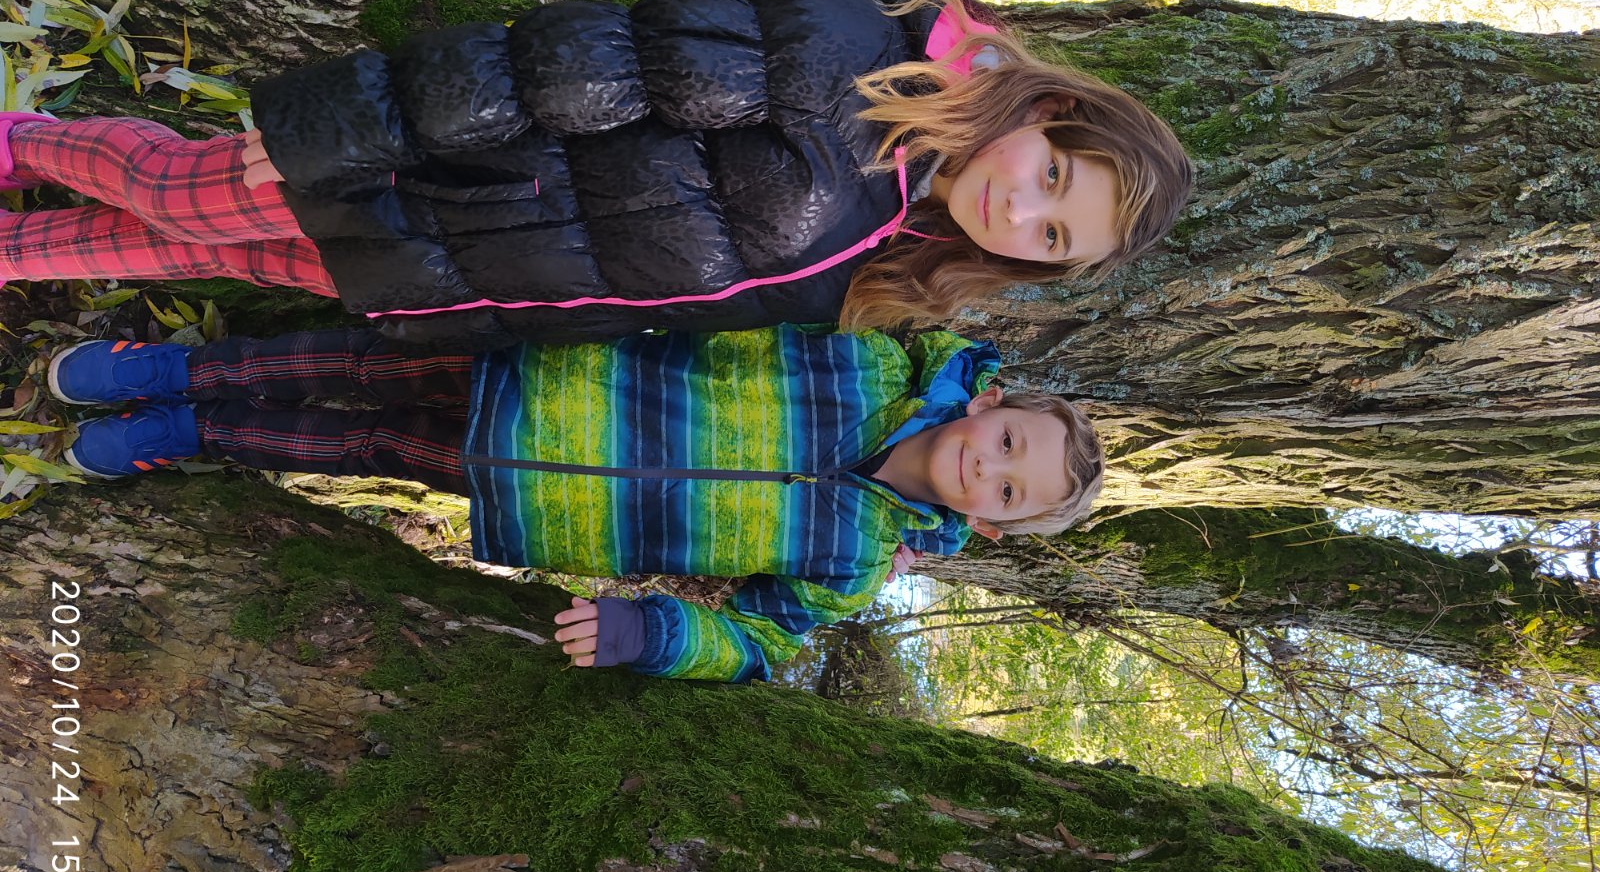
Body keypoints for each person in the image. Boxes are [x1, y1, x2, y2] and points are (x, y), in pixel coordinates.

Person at [0, 0, 1192, 346]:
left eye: (1050, 237)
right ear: (1047, 110)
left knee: (177, 249)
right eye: (1052, 178)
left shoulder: (892, 262)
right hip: (430, 169)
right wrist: (350, 126)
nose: (1019, 210)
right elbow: (570, 71)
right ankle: (20, 140)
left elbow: (645, 304)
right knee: (172, 191)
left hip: (448, 269)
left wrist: (463, 314)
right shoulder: (845, 61)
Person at [47, 324, 1105, 683]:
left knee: (364, 444)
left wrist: (655, 634)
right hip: (546, 375)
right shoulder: (866, 358)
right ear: (992, 404)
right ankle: (173, 369)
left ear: (993, 524)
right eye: (1009, 442)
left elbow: (759, 643)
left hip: (535, 490)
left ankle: (185, 436)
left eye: (1010, 491)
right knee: (352, 363)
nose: (990, 467)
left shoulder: (855, 564)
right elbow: (719, 311)